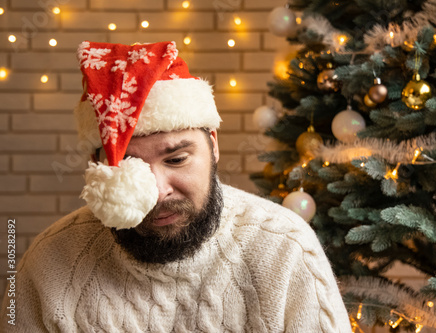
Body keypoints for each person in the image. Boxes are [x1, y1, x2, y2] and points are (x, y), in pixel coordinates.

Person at [1, 41, 352, 332]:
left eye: (177, 159)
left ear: (213, 145)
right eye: (129, 166)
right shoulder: (49, 263)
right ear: (97, 166)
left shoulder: (286, 251)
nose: (157, 191)